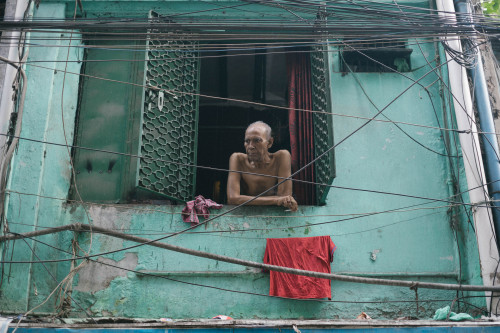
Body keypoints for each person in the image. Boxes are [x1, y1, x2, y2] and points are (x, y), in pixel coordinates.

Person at [227, 121, 298, 211]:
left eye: (257, 140)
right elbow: (232, 198)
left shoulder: (281, 157)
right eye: (247, 141)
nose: (250, 146)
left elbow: (285, 196)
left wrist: (281, 199)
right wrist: (276, 200)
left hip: (275, 214)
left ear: (270, 143)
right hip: (246, 214)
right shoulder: (237, 159)